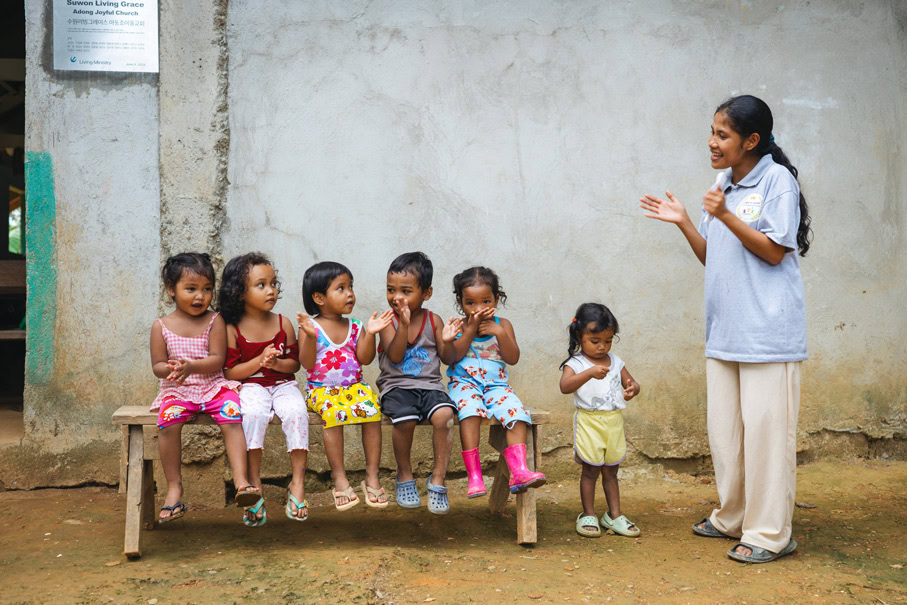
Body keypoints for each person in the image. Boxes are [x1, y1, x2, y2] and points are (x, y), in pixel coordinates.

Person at [640, 94, 812, 563]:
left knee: (766, 437)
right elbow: (712, 255)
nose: (711, 142)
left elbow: (775, 251)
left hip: (768, 335)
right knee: (727, 436)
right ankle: (733, 516)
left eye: (722, 134)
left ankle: (770, 534)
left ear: (751, 140)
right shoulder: (723, 183)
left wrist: (725, 215)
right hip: (726, 330)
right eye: (712, 132)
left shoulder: (776, 181)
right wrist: (684, 223)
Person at [149, 252, 259, 522]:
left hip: (212, 386)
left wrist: (192, 367)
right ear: (170, 290)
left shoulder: (215, 320)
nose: (200, 296)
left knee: (232, 413)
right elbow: (157, 365)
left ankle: (241, 481)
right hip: (178, 390)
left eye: (207, 289)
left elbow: (217, 360)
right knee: (168, 422)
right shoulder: (160, 326)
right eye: (191, 289)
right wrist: (173, 370)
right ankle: (174, 487)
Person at [221, 252, 309, 526]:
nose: (271, 290)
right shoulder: (232, 328)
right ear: (239, 292)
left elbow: (294, 365)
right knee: (253, 416)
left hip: (283, 384)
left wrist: (277, 363)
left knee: (297, 412)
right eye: (261, 285)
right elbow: (230, 372)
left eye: (273, 283)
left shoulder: (283, 323)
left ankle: (297, 483)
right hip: (251, 386)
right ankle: (254, 484)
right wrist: (259, 361)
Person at [441, 266, 546, 496]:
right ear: (461, 302)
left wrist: (499, 333)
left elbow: (513, 358)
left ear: (496, 299)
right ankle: (475, 476)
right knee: (469, 412)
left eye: (485, 302)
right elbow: (449, 357)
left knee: (516, 412)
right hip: (464, 386)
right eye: (471, 303)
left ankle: (519, 471)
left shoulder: (504, 325)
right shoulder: (458, 327)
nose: (478, 309)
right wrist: (467, 332)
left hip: (497, 387)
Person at [297, 261, 394, 510]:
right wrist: (308, 336)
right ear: (319, 297)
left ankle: (372, 475)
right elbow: (306, 364)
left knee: (372, 409)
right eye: (340, 288)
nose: (350, 293)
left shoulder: (356, 326)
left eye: (350, 287)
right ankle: (339, 478)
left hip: (354, 388)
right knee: (333, 414)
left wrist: (370, 333)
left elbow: (365, 358)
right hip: (322, 391)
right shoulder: (311, 328)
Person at [376, 252, 459, 514]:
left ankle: (438, 478)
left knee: (445, 416)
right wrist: (403, 324)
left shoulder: (433, 320)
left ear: (426, 293)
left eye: (406, 290)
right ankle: (404, 473)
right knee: (405, 418)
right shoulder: (388, 322)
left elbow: (447, 358)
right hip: (396, 388)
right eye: (391, 290)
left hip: (431, 387)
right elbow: (396, 355)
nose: (396, 297)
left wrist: (446, 339)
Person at [559, 303, 640, 538]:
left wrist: (632, 388)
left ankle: (614, 515)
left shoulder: (616, 361)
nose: (602, 347)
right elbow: (565, 386)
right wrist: (588, 373)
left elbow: (632, 383)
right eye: (595, 341)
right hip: (589, 422)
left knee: (611, 471)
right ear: (579, 335)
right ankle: (588, 514)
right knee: (590, 470)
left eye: (608, 340)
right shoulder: (576, 364)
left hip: (613, 423)